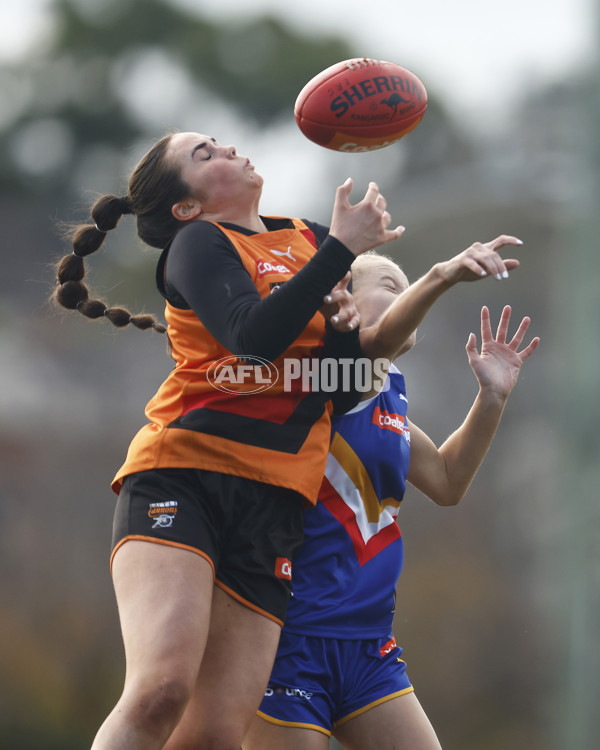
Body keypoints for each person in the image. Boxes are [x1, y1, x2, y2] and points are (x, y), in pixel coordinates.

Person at [52, 131, 405, 750]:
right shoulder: (198, 243)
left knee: (215, 733)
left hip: (275, 504)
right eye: (203, 154)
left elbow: (341, 391)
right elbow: (252, 338)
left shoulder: (310, 238)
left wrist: (350, 333)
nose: (226, 149)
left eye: (218, 142)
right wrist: (342, 251)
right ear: (186, 206)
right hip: (183, 477)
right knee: (161, 690)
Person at [242, 237, 540, 750]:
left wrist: (491, 397)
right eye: (390, 285)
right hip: (290, 641)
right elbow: (367, 346)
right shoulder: (325, 375)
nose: (407, 294)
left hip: (369, 647)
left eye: (410, 286)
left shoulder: (388, 391)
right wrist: (442, 274)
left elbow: (447, 481)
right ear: (342, 299)